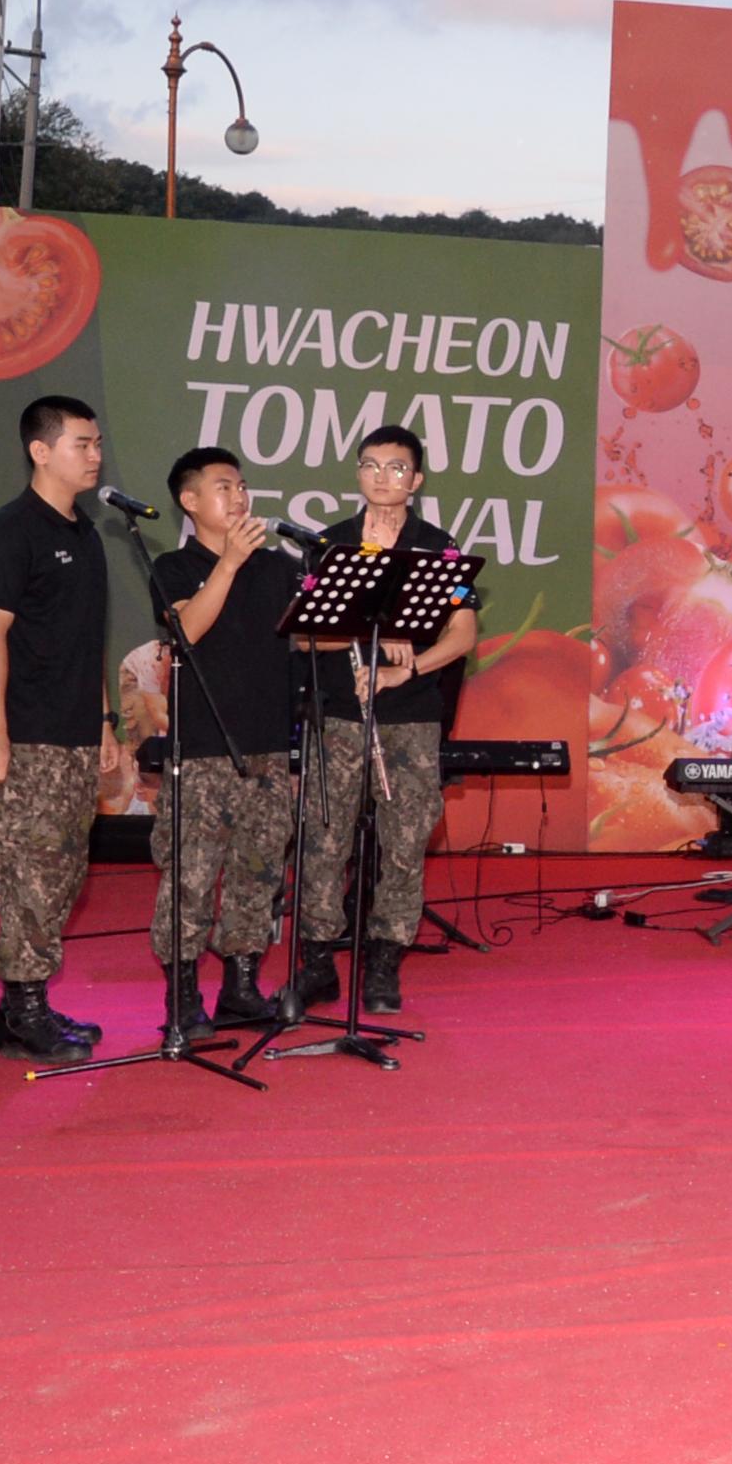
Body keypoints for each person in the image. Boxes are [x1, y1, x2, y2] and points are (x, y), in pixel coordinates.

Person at [289, 425, 481, 1021]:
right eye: (371, 465)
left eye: (397, 468)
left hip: (411, 717)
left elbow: (464, 631)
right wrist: (366, 632)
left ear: (416, 480)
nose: (383, 477)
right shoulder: (328, 545)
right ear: (358, 473)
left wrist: (409, 665)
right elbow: (300, 634)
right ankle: (318, 961)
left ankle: (383, 961)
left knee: (404, 843)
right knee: (325, 841)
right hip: (339, 715)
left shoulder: (438, 546)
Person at [0, 395, 124, 1065]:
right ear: (41, 450)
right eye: (82, 444)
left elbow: (85, 641)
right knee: (31, 873)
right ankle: (25, 1006)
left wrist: (107, 720)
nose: (95, 455)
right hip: (27, 734)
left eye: (96, 444)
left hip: (77, 734)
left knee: (64, 871)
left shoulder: (85, 533)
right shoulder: (10, 532)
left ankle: (25, 1002)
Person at [143, 447, 301, 1038]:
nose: (239, 496)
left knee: (257, 872)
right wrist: (229, 564)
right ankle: (182, 996)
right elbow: (187, 630)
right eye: (223, 487)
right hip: (202, 752)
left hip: (266, 748)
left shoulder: (278, 566)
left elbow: (316, 636)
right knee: (189, 875)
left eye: (241, 486)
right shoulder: (174, 566)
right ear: (190, 502)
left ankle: (240, 984)